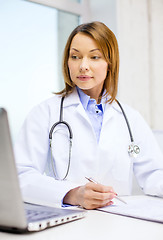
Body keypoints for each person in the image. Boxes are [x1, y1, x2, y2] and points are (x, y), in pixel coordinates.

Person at [14, 21, 163, 210]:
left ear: (110, 63)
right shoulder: (45, 113)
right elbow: (21, 176)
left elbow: (154, 175)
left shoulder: (130, 118)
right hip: (66, 224)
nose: (83, 66)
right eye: (75, 56)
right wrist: (72, 194)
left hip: (120, 225)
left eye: (94, 57)